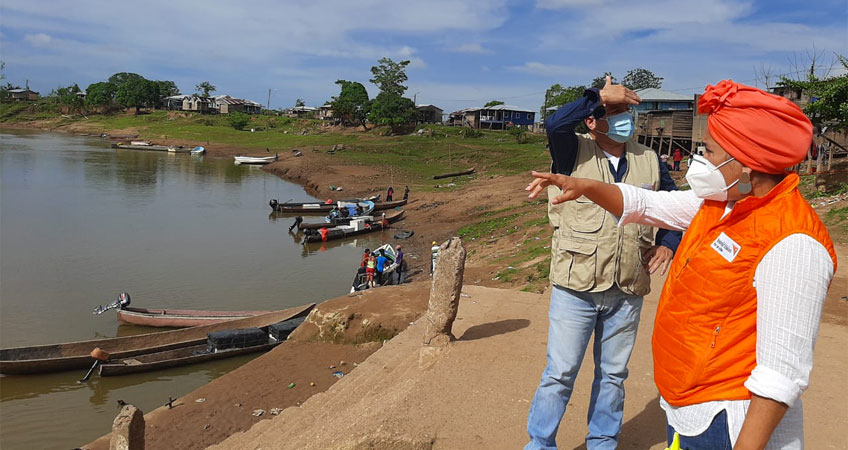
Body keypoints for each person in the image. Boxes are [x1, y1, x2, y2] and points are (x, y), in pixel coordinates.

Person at [527, 80, 836, 450]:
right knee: (561, 372)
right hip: (688, 410)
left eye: (709, 151)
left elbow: (780, 378)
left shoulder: (794, 244)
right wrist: (587, 186)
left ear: (746, 165)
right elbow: (649, 204)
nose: (699, 161)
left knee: (611, 373)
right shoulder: (722, 204)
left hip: (728, 422)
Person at [524, 75, 682, 450]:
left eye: (627, 111)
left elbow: (673, 208)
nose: (625, 118)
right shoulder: (572, 151)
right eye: (614, 112)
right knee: (560, 373)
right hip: (575, 287)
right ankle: (540, 444)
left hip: (627, 287)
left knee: (613, 375)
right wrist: (598, 96)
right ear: (592, 121)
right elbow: (555, 123)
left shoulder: (650, 160)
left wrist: (668, 244)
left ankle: (602, 442)